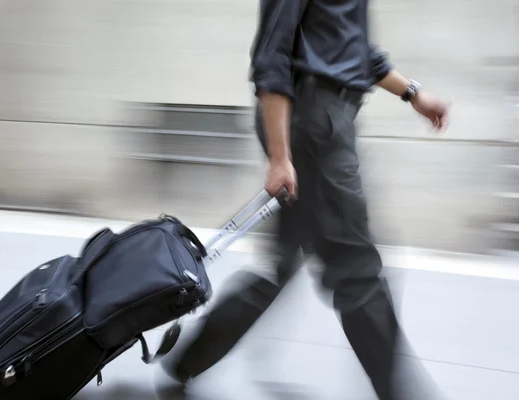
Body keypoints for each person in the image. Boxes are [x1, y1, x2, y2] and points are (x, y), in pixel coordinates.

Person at [160, 0, 450, 399]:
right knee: (356, 269)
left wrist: (412, 93)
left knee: (281, 264)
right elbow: (272, 55)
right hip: (314, 123)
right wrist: (281, 157)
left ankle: (187, 363)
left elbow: (353, 47)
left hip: (328, 119)